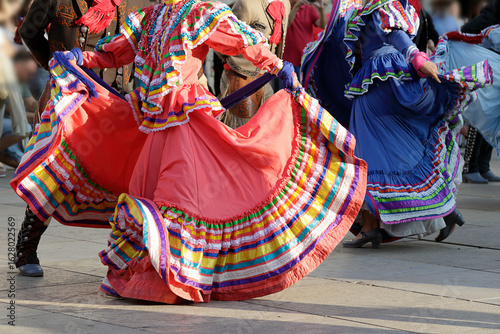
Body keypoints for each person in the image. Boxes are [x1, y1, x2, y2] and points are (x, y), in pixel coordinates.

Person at [11, 0, 367, 303]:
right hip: (148, 123)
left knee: (175, 200)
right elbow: (115, 51)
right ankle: (151, 269)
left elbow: (242, 43)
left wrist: (277, 66)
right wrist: (81, 58)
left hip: (182, 124)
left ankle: (174, 275)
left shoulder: (197, 13)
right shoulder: (151, 16)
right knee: (143, 194)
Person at [302, 0, 492, 248]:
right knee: (400, 149)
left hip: (378, 82)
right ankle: (442, 211)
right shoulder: (373, 7)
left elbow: (394, 33)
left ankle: (382, 224)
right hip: (385, 80)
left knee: (366, 156)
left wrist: (417, 57)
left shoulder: (382, 5)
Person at [14, 0, 150, 277]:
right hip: (66, 96)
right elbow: (29, 31)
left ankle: (123, 252)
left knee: (124, 178)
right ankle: (27, 247)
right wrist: (56, 67)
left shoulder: (135, 2)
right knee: (55, 170)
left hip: (112, 101)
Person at [434, 0, 500, 183]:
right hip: (480, 60)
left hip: (489, 62)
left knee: (491, 119)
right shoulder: (491, 15)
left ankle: (482, 165)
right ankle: (471, 166)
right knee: (480, 111)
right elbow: (478, 28)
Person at [218, 0, 291, 128]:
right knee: (241, 130)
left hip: (266, 77)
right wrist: (232, 63)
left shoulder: (285, 4)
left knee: (268, 128)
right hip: (240, 75)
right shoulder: (246, 4)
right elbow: (224, 39)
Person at [283, 0, 327, 76]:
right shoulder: (284, 7)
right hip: (288, 58)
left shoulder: (309, 9)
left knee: (304, 86)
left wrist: (321, 9)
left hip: (305, 57)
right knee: (287, 86)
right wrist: (296, 7)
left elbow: (322, 25)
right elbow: (286, 24)